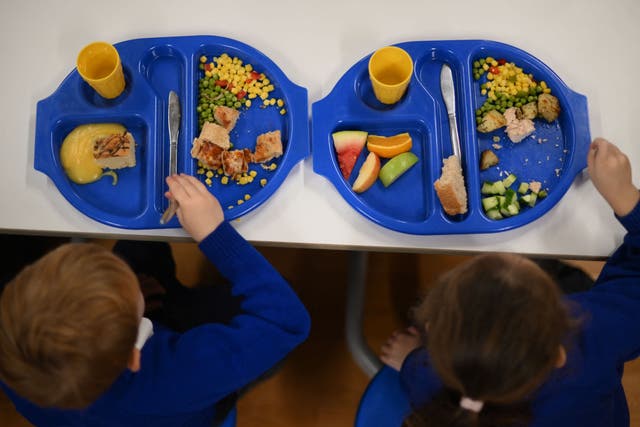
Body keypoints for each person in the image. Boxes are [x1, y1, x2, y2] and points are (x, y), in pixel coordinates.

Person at [0, 173, 311, 426]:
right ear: (134, 354)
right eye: (128, 286)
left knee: (141, 250)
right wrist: (215, 235)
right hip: (185, 398)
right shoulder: (178, 376)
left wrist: (128, 315)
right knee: (261, 334)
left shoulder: (15, 360)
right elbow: (286, 321)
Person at [380, 137, 640, 427]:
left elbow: (418, 374)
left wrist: (408, 360)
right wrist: (627, 199)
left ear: (433, 334)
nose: (510, 252)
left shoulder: (430, 377)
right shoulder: (593, 330)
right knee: (575, 280)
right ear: (560, 345)